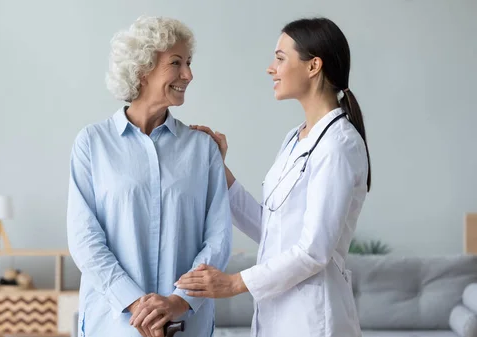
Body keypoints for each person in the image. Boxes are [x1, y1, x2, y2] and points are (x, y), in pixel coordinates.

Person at [176, 17, 371, 337]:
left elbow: (313, 251)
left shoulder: (339, 145)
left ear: (313, 66)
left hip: (314, 320)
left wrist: (234, 283)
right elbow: (272, 229)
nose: (271, 68)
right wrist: (219, 171)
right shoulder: (296, 139)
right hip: (278, 315)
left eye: (280, 58)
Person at [66, 16, 232, 337]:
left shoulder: (202, 148)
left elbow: (219, 238)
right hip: (115, 323)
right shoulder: (92, 143)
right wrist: (137, 303)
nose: (188, 74)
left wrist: (177, 301)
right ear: (142, 69)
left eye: (188, 62)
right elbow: (84, 239)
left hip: (187, 322)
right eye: (176, 63)